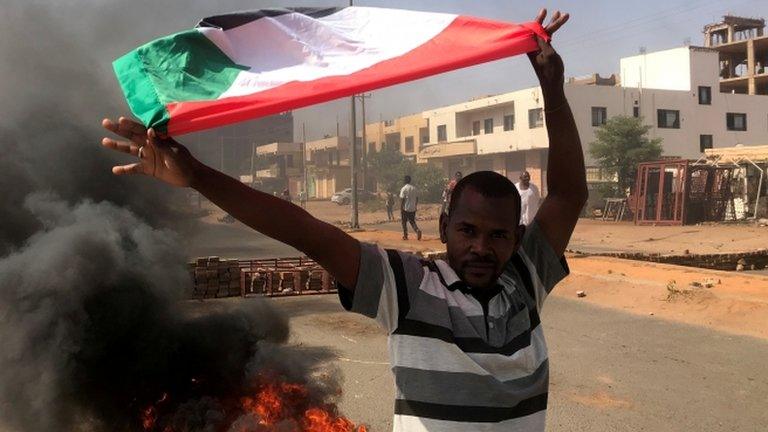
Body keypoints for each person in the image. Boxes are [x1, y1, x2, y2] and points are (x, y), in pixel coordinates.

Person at [101, 9, 585, 431]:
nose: (481, 247)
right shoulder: (409, 288)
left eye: (498, 235)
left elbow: (568, 194)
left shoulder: (525, 281)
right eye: (467, 230)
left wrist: (553, 91)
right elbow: (306, 231)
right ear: (442, 228)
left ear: (518, 237)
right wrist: (198, 176)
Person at [399, 175, 422, 241]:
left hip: (405, 208)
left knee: (404, 222)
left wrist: (401, 208)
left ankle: (405, 236)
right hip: (412, 208)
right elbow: (417, 198)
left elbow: (402, 199)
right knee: (412, 221)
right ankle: (417, 230)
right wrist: (415, 205)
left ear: (405, 180)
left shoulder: (404, 188)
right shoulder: (414, 188)